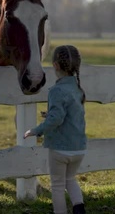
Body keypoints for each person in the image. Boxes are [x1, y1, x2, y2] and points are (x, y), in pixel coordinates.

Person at [24, 45, 87, 214]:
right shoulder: (77, 89)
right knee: (70, 179)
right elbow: (66, 114)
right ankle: (79, 209)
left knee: (58, 185)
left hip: (60, 149)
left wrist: (36, 130)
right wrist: (50, 114)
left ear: (55, 65)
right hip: (78, 149)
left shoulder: (57, 91)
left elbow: (57, 119)